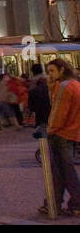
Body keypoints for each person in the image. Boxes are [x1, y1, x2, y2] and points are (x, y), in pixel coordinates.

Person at [41, 58, 80, 217]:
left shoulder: (63, 87)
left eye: (52, 71)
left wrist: (50, 129)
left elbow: (58, 112)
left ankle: (73, 203)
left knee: (62, 171)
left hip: (60, 133)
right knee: (63, 170)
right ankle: (53, 203)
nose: (49, 75)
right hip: (72, 132)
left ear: (62, 70)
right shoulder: (75, 84)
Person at [28, 63, 51, 132]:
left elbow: (31, 95)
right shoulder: (48, 78)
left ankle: (43, 140)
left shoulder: (33, 81)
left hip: (39, 105)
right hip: (49, 103)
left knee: (41, 123)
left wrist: (31, 108)